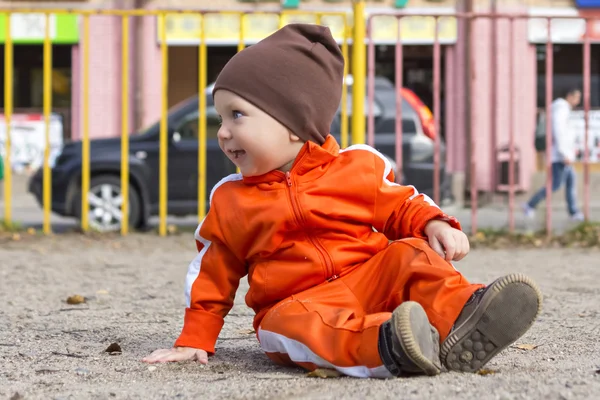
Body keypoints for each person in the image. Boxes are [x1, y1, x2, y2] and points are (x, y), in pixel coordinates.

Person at [143, 24, 542, 378]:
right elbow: (213, 274)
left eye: (237, 116)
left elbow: (402, 204)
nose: (223, 133)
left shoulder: (356, 168)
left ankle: (464, 317)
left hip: (369, 280)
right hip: (294, 303)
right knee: (296, 325)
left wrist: (434, 224)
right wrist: (194, 338)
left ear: (296, 125)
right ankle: (391, 344)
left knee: (410, 254)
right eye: (220, 120)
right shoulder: (231, 201)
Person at [524, 88, 583, 221]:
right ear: (569, 96)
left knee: (570, 182)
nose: (578, 101)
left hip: (561, 154)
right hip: (559, 155)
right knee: (555, 184)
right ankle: (530, 204)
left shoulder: (561, 108)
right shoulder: (560, 108)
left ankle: (574, 212)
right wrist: (564, 154)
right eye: (577, 97)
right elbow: (559, 131)